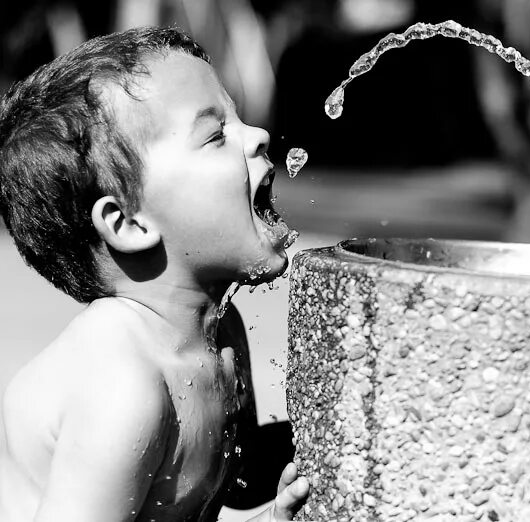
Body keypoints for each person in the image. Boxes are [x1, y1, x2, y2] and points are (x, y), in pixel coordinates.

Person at [0, 26, 310, 521]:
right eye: (214, 135)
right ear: (128, 223)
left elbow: (224, 493)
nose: (257, 136)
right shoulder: (124, 386)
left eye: (238, 118)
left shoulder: (219, 334)